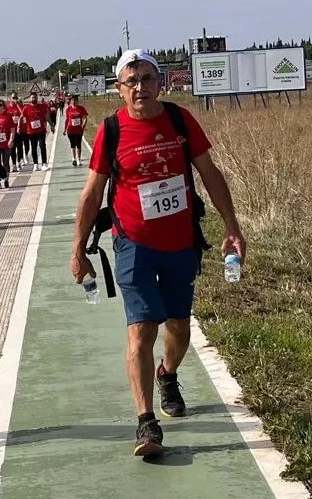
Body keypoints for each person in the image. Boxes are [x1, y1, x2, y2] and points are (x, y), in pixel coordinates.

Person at [69, 49, 247, 457]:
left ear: (159, 83)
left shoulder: (180, 120)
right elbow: (92, 192)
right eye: (131, 81)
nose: (140, 87)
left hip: (181, 241)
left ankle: (168, 374)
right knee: (141, 328)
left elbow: (210, 173)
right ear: (119, 89)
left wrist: (232, 228)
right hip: (132, 242)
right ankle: (146, 423)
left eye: (147, 78)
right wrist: (78, 249)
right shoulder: (111, 130)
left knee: (178, 326)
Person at [0, 98, 17, 189]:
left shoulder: (8, 116)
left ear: (4, 106)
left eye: (0, 105)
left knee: (5, 162)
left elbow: (12, 130)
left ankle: (6, 180)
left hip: (5, 144)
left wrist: (11, 140)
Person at [21, 92, 49, 171]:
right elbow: (21, 117)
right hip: (31, 132)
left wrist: (52, 125)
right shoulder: (26, 108)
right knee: (33, 148)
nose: (34, 99)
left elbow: (46, 116)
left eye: (35, 97)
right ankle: (35, 164)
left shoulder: (42, 106)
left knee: (42, 146)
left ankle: (44, 163)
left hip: (41, 131)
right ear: (30, 98)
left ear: (37, 98)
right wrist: (19, 127)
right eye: (32, 97)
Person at [64, 94, 89, 167]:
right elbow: (67, 120)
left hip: (79, 130)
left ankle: (79, 159)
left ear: (78, 101)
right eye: (72, 100)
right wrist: (64, 129)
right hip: (70, 130)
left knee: (78, 144)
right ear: (71, 101)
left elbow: (85, 118)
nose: (74, 102)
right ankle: (74, 158)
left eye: (75, 100)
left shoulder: (81, 108)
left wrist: (83, 125)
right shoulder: (68, 109)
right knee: (72, 144)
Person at [5, 92, 26, 172]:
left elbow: (23, 115)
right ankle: (14, 165)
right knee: (12, 148)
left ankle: (19, 162)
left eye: (16, 98)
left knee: (20, 147)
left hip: (18, 130)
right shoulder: (7, 108)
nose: (15, 99)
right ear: (10, 98)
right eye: (13, 98)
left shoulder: (19, 107)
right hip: (11, 131)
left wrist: (18, 105)